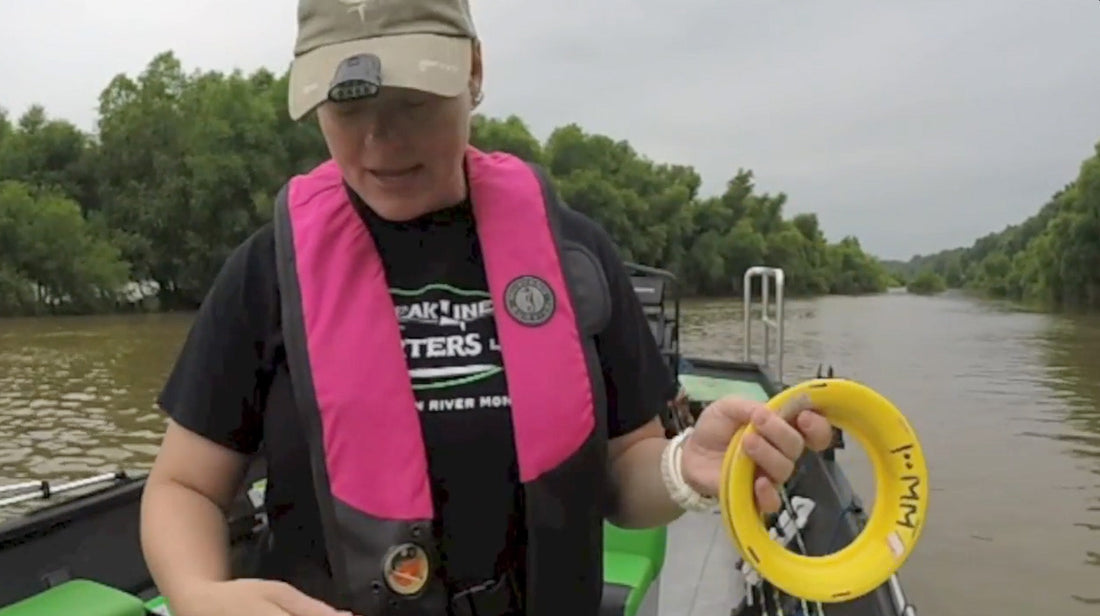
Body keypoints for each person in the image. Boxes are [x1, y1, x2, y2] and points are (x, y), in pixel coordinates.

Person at [138, 1, 834, 615]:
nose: (381, 141)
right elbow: (183, 488)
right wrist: (200, 596)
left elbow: (626, 472)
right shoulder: (265, 272)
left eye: (413, 100)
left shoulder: (576, 253)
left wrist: (686, 468)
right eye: (348, 107)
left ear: (473, 71)